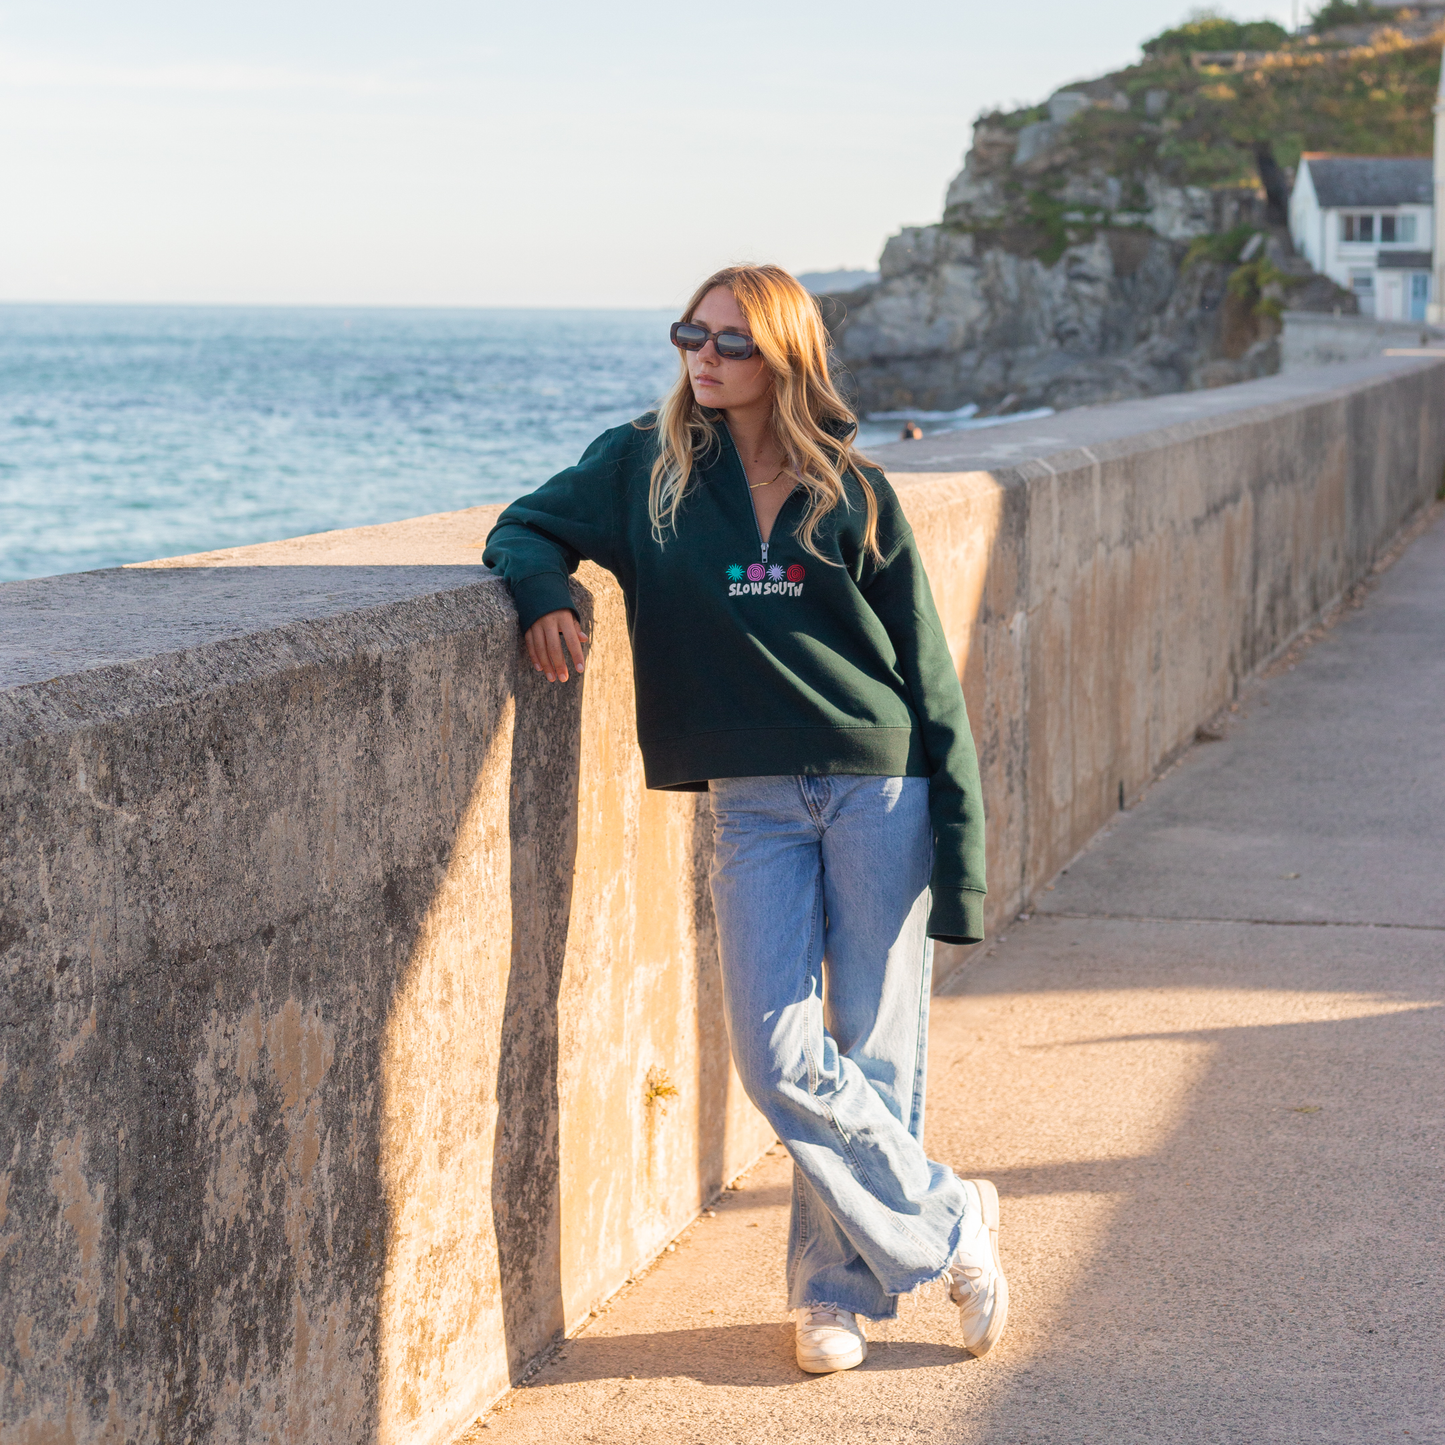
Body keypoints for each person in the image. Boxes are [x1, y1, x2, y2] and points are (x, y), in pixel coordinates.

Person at [482, 264, 1006, 1374]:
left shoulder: (855, 492)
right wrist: (542, 595)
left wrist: (957, 856)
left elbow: (926, 679)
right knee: (779, 1058)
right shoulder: (643, 469)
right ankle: (952, 1215)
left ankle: (830, 1294)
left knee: (872, 1047)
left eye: (728, 341)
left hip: (879, 786)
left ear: (784, 358)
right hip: (752, 801)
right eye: (688, 334)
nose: (700, 356)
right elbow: (524, 528)